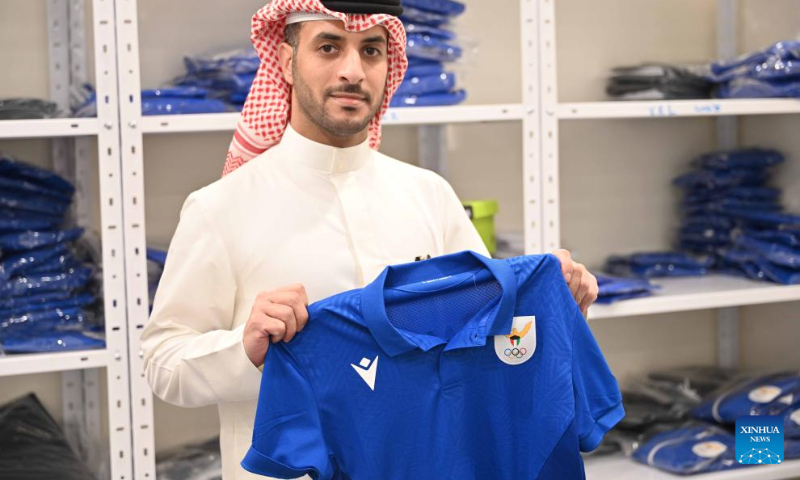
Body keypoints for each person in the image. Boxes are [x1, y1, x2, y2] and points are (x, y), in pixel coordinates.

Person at [141, 1, 599, 478]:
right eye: (328, 47)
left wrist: (561, 305)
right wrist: (245, 348)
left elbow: (488, 339)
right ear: (286, 60)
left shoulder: (430, 195)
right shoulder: (219, 208)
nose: (353, 71)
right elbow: (162, 363)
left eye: (371, 50)